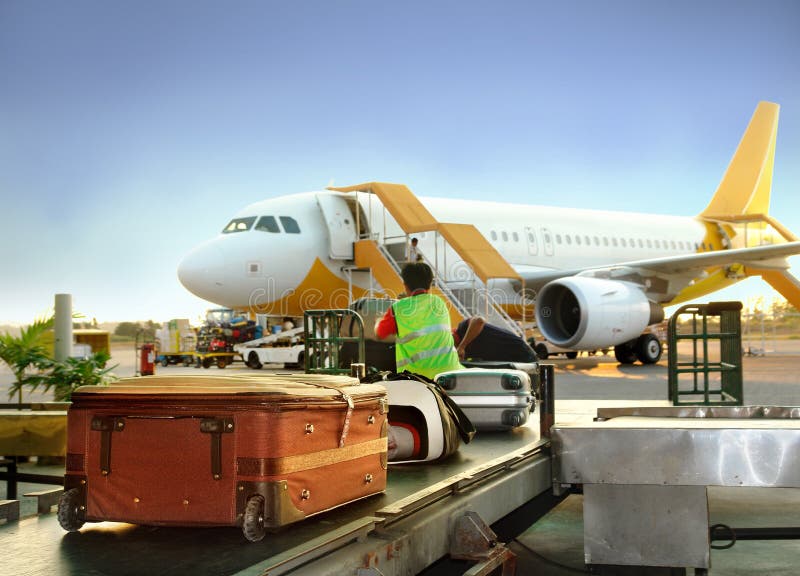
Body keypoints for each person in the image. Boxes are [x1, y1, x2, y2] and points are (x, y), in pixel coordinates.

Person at [375, 262, 462, 379]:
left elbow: (379, 334)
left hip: (416, 379)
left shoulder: (398, 308)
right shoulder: (440, 303)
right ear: (430, 284)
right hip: (450, 375)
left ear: (405, 285)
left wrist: (378, 320)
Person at [452, 316, 537, 362]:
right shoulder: (464, 352)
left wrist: (462, 346)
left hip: (518, 349)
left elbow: (479, 320)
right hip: (509, 359)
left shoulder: (463, 328)